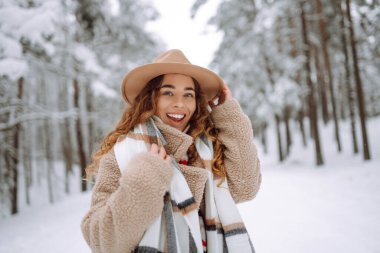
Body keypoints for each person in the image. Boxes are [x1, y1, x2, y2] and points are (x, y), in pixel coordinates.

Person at [81, 49, 262, 253]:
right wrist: (145, 179)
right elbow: (101, 241)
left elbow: (246, 187)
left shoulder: (206, 149)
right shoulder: (124, 153)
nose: (179, 103)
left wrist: (230, 116)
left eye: (188, 94)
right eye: (168, 92)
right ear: (151, 99)